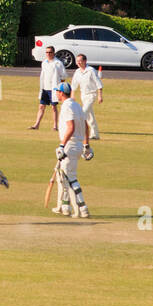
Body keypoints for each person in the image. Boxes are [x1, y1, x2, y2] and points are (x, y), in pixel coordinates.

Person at [50, 83, 90, 218]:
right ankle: (65, 207)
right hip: (77, 145)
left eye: (57, 91)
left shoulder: (67, 106)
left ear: (61, 93)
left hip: (70, 145)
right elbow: (86, 126)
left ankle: (83, 209)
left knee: (70, 178)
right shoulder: (77, 105)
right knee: (63, 177)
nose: (56, 93)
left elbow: (71, 127)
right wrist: (86, 146)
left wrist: (62, 146)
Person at [30, 46, 67, 130]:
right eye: (47, 52)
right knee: (41, 106)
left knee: (54, 107)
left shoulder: (58, 63)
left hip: (54, 89)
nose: (48, 54)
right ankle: (36, 124)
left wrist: (59, 86)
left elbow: (63, 75)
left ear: (53, 53)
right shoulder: (44, 63)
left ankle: (55, 126)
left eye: (50, 52)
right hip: (45, 88)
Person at [71, 54, 103, 140]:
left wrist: (100, 96)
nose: (78, 62)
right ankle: (95, 135)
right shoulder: (77, 72)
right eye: (77, 61)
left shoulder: (91, 70)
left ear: (85, 61)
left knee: (83, 113)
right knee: (90, 116)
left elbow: (98, 83)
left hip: (92, 95)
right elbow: (74, 85)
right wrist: (72, 96)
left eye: (80, 61)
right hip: (83, 95)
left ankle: (76, 132)